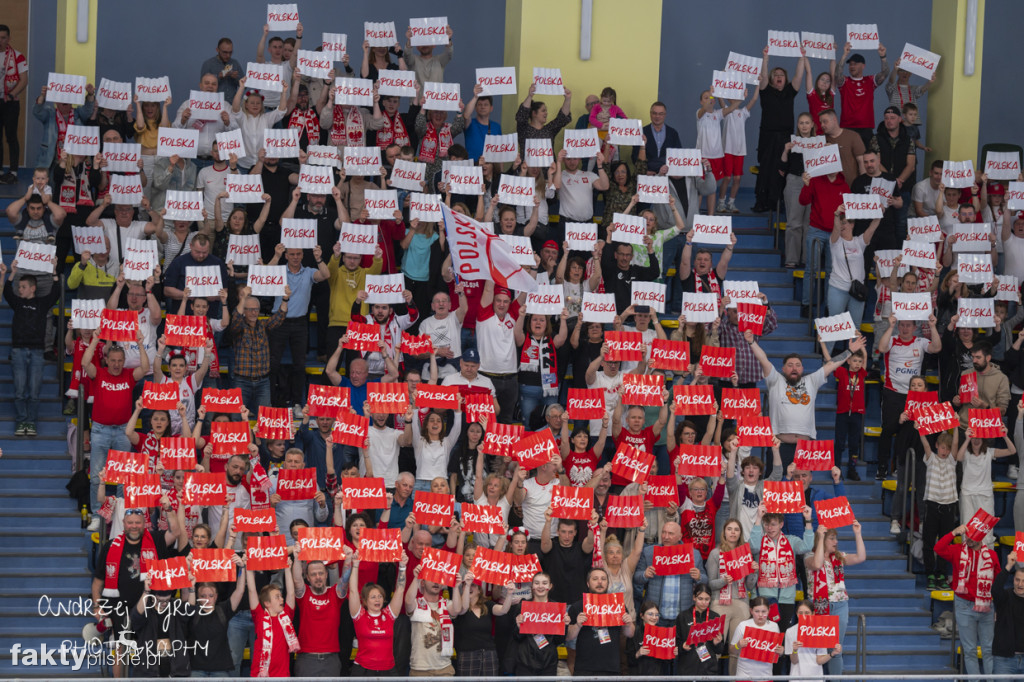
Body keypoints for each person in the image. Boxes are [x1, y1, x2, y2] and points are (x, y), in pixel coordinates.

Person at [747, 329, 866, 473]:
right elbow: (763, 359)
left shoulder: (811, 381)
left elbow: (831, 365)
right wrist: (752, 342)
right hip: (780, 446)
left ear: (802, 369)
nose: (794, 368)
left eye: (797, 365)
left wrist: (849, 351)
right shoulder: (775, 380)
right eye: (790, 365)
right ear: (783, 369)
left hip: (805, 449)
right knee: (776, 489)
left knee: (802, 490)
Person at [81, 328, 149, 515]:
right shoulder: (100, 374)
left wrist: (141, 344)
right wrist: (95, 340)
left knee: (123, 477)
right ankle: (96, 514)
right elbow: (85, 362)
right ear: (107, 361)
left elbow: (144, 368)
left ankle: (121, 514)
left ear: (124, 361)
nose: (117, 364)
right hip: (100, 431)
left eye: (120, 361)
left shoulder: (128, 375)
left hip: (122, 431)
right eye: (113, 360)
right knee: (96, 477)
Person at [875, 315, 942, 479]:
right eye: (902, 325)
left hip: (914, 395)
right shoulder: (892, 340)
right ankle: (882, 467)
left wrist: (933, 327)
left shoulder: (920, 342)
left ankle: (900, 466)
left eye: (908, 325)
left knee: (907, 431)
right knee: (888, 429)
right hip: (893, 392)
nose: (905, 328)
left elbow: (936, 348)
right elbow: (881, 348)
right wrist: (890, 327)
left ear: (914, 327)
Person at [1, 262, 60, 437]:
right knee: (20, 391)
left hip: (37, 352)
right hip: (18, 351)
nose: (20, 289)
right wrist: (11, 273)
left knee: (34, 391)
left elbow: (56, 292)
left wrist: (54, 270)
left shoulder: (42, 303)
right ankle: (21, 421)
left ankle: (31, 422)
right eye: (19, 287)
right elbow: (6, 291)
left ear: (32, 288)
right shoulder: (17, 303)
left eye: (23, 287)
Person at [935, 524, 999, 680]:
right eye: (966, 536)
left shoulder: (991, 555)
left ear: (982, 537)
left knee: (988, 649)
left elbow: (996, 583)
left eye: (973, 536)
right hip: (964, 605)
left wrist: (996, 607)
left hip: (986, 607)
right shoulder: (957, 551)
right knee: (969, 650)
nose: (968, 539)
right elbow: (938, 548)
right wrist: (953, 532)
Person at [806, 521, 865, 675]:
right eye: (831, 538)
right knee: (815, 648)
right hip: (818, 605)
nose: (836, 542)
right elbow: (818, 564)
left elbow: (860, 557)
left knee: (836, 648)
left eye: (835, 538)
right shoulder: (808, 556)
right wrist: (819, 536)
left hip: (839, 605)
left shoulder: (839, 557)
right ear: (822, 539)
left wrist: (857, 534)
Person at [752, 45, 805, 213]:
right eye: (775, 75)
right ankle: (762, 201)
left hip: (785, 137)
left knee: (783, 169)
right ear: (771, 78)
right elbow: (764, 77)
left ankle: (781, 202)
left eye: (781, 75)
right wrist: (765, 58)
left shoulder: (790, 91)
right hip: (767, 136)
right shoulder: (765, 91)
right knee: (766, 169)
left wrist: (802, 57)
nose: (778, 77)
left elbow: (799, 75)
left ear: (785, 78)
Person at [749, 503, 815, 634]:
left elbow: (807, 546)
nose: (769, 528)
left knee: (783, 639)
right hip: (764, 598)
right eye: (766, 524)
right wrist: (758, 518)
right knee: (764, 638)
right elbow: (753, 547)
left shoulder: (791, 540)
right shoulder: (760, 541)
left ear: (781, 524)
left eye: (773, 524)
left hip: (787, 598)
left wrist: (808, 520)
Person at [797, 161, 849, 317]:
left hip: (835, 233)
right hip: (817, 230)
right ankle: (806, 305)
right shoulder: (815, 180)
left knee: (831, 272)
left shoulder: (844, 186)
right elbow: (803, 201)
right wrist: (806, 185)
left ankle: (829, 306)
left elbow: (848, 212)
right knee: (810, 270)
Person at [633, 521, 707, 625]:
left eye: (671, 533)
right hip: (656, 615)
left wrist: (699, 577)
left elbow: (705, 580)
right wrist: (644, 575)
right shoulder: (649, 552)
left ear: (680, 536)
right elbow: (636, 578)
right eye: (663, 532)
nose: (666, 537)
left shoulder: (693, 554)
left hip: (682, 615)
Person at [229, 285, 289, 413]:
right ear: (244, 310)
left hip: (263, 382)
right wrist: (243, 298)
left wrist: (285, 299)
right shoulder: (238, 328)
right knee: (237, 419)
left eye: (256, 309)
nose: (254, 312)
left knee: (265, 419)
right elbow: (235, 319)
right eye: (250, 309)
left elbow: (279, 317)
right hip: (242, 381)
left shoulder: (263, 325)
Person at [348, 551, 409, 675]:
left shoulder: (389, 614)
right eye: (373, 597)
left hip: (388, 670)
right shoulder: (359, 615)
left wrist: (402, 566)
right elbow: (353, 591)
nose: (377, 599)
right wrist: (355, 565)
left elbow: (400, 590)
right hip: (363, 670)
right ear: (364, 601)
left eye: (380, 596)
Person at [826, 205, 880, 345]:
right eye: (841, 223)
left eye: (845, 223)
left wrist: (880, 212)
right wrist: (837, 215)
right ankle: (827, 363)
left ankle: (854, 363)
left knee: (855, 328)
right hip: (838, 289)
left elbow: (872, 228)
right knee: (833, 326)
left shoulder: (859, 241)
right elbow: (836, 228)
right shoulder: (835, 241)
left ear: (852, 224)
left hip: (857, 290)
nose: (842, 226)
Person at [567, 567, 636, 676]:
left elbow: (630, 633)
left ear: (608, 583)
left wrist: (629, 623)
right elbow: (568, 636)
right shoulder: (577, 607)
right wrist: (578, 625)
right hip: (584, 668)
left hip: (611, 668)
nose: (600, 582)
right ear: (588, 583)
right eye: (595, 579)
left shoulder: (618, 605)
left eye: (603, 579)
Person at [450, 568, 514, 676]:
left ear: (479, 590)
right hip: (467, 654)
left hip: (489, 654)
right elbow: (463, 608)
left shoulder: (487, 605)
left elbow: (503, 610)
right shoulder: (458, 606)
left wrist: (509, 594)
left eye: (473, 585)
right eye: (466, 585)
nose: (469, 586)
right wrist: (468, 586)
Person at [405, 562, 462, 676]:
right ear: (423, 582)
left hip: (444, 667)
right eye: (432, 578)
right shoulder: (416, 604)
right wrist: (416, 578)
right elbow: (408, 602)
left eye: (439, 579)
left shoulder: (446, 604)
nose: (436, 582)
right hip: (420, 668)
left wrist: (456, 587)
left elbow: (456, 609)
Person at [246, 555, 298, 678]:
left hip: (281, 675)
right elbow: (252, 591)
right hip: (260, 675)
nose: (282, 598)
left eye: (281, 595)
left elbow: (291, 593)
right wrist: (249, 568)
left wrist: (287, 568)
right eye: (277, 597)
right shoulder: (259, 615)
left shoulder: (286, 615)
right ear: (267, 603)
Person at [509, 572, 570, 675]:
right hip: (525, 662)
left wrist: (565, 625)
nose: (540, 586)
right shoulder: (522, 606)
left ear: (550, 586)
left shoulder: (557, 608)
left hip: (549, 662)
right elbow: (516, 638)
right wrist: (519, 627)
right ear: (532, 586)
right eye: (537, 583)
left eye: (544, 583)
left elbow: (559, 640)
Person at [834, 42, 891, 145]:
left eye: (855, 63)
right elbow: (837, 74)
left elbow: (885, 73)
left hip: (866, 128)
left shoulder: (870, 81)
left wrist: (883, 57)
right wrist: (844, 55)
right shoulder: (845, 82)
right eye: (850, 64)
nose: (852, 66)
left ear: (863, 66)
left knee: (866, 159)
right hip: (847, 128)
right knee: (848, 160)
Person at [780, 112, 815, 268]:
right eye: (801, 123)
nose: (804, 126)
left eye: (807, 123)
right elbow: (781, 168)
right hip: (794, 181)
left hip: (814, 183)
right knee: (794, 223)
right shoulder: (791, 142)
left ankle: (807, 260)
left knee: (810, 224)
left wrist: (827, 150)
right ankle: (792, 259)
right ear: (798, 125)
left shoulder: (819, 143)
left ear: (812, 125)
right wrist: (786, 151)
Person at [717, 85, 759, 214]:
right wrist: (721, 79)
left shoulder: (743, 112)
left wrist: (758, 83)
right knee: (727, 178)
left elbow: (754, 99)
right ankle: (721, 203)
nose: (735, 98)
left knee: (737, 179)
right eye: (732, 95)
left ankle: (731, 203)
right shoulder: (726, 110)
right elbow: (719, 97)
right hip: (728, 150)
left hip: (740, 151)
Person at [676, 583, 725, 676]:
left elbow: (720, 650)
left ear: (710, 599)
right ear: (694, 598)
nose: (703, 602)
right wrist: (682, 646)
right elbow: (674, 643)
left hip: (709, 669)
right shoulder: (683, 616)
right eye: (700, 599)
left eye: (707, 599)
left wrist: (717, 643)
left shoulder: (715, 617)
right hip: (687, 668)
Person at [785, 599, 840, 681]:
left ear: (813, 614)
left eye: (807, 613)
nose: (803, 616)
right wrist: (795, 650)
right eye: (800, 613)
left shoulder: (819, 630)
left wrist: (832, 654)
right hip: (796, 678)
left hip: (816, 678)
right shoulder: (790, 631)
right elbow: (794, 661)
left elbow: (819, 660)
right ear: (796, 614)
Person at [0, 24, 28, 183]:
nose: (0, 41)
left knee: (11, 137)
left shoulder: (18, 56)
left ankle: (13, 171)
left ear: (9, 39)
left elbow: (24, 80)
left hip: (10, 102)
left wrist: (12, 94)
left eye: (3, 37)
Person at [731, 596, 783, 681]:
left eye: (764, 611)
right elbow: (732, 650)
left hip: (766, 677)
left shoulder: (774, 626)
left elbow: (776, 653)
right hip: (744, 676)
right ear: (751, 611)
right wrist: (738, 645)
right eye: (757, 611)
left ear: (769, 611)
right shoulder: (743, 625)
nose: (760, 615)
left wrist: (781, 652)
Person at [515, 82, 572, 153]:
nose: (546, 113)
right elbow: (521, 115)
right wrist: (530, 96)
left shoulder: (549, 129)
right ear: (534, 113)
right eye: (543, 110)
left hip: (548, 164)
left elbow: (562, 119)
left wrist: (568, 99)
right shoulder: (523, 129)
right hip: (526, 164)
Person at [993, 550, 1024, 676]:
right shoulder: (1004, 597)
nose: (1020, 584)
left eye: (1023, 581)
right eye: (1017, 580)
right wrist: (1008, 566)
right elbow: (995, 589)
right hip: (1004, 661)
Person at [201, 37, 243, 102]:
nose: (228, 55)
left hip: (232, 104)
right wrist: (218, 77)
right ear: (217, 50)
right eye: (225, 52)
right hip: (214, 103)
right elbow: (203, 86)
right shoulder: (208, 64)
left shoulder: (235, 63)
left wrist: (236, 78)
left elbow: (244, 86)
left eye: (230, 52)